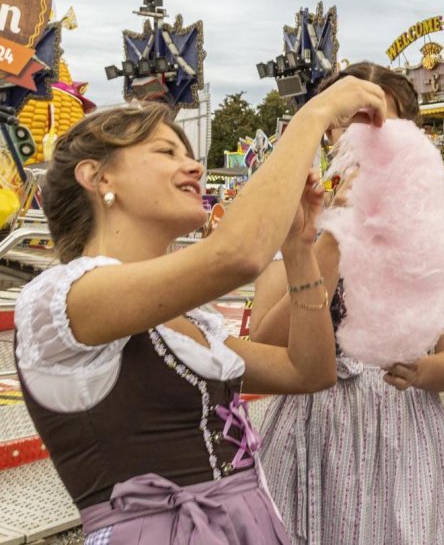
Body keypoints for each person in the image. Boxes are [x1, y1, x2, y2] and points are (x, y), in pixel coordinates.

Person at [13, 81, 386, 541]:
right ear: (98, 177)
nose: (193, 165)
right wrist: (316, 113)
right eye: (166, 152)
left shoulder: (188, 321)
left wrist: (303, 247)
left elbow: (307, 371)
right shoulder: (62, 299)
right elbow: (238, 255)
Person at [250, 63, 444, 543]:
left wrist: (421, 371)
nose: (360, 138)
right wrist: (335, 236)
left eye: (377, 123)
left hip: (402, 425)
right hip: (310, 424)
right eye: (345, 123)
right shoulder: (296, 210)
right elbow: (266, 343)